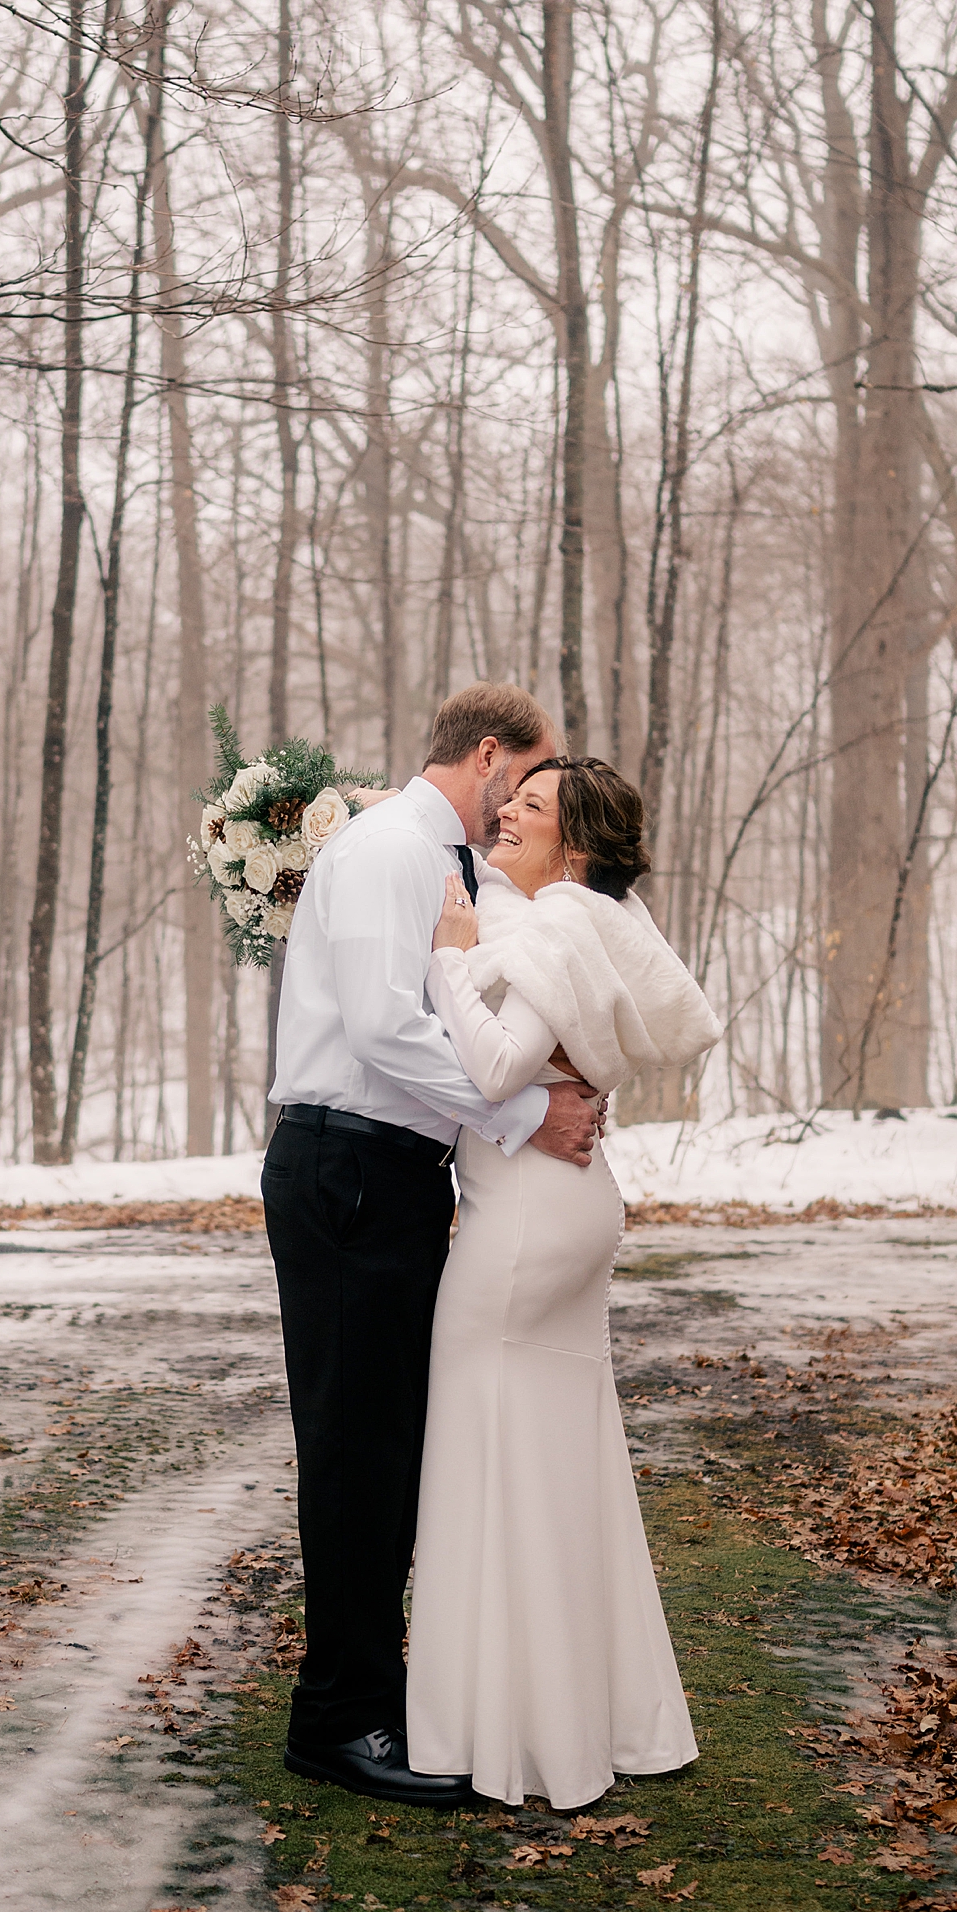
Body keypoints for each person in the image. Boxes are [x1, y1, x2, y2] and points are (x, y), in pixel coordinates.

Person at [261, 684, 605, 1808]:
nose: (530, 803)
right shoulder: (386, 853)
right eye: (535, 776)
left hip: (392, 1174)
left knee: (389, 1447)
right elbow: (380, 1028)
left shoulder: (437, 861)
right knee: (357, 1451)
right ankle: (337, 1720)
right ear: (492, 756)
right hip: (346, 1166)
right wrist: (519, 1118)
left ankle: (377, 1687)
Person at [405, 756, 723, 1810]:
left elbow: (500, 1071)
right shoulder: (569, 924)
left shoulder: (551, 930)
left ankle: (503, 1733)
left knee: (483, 1456)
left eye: (530, 809)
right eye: (511, 796)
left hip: (528, 1222)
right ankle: (592, 1719)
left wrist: (451, 963)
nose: (506, 811)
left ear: (572, 850)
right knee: (560, 1465)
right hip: (559, 1211)